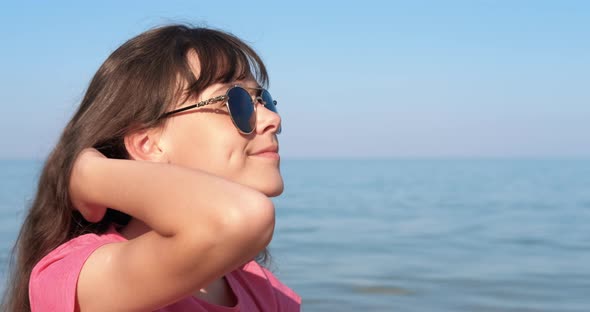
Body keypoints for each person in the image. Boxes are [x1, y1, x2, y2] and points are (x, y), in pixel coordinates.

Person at [1, 24, 301, 311]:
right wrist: (85, 172)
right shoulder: (79, 274)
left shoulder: (258, 287)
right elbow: (240, 219)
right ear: (148, 145)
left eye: (263, 100)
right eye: (235, 102)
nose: (272, 119)